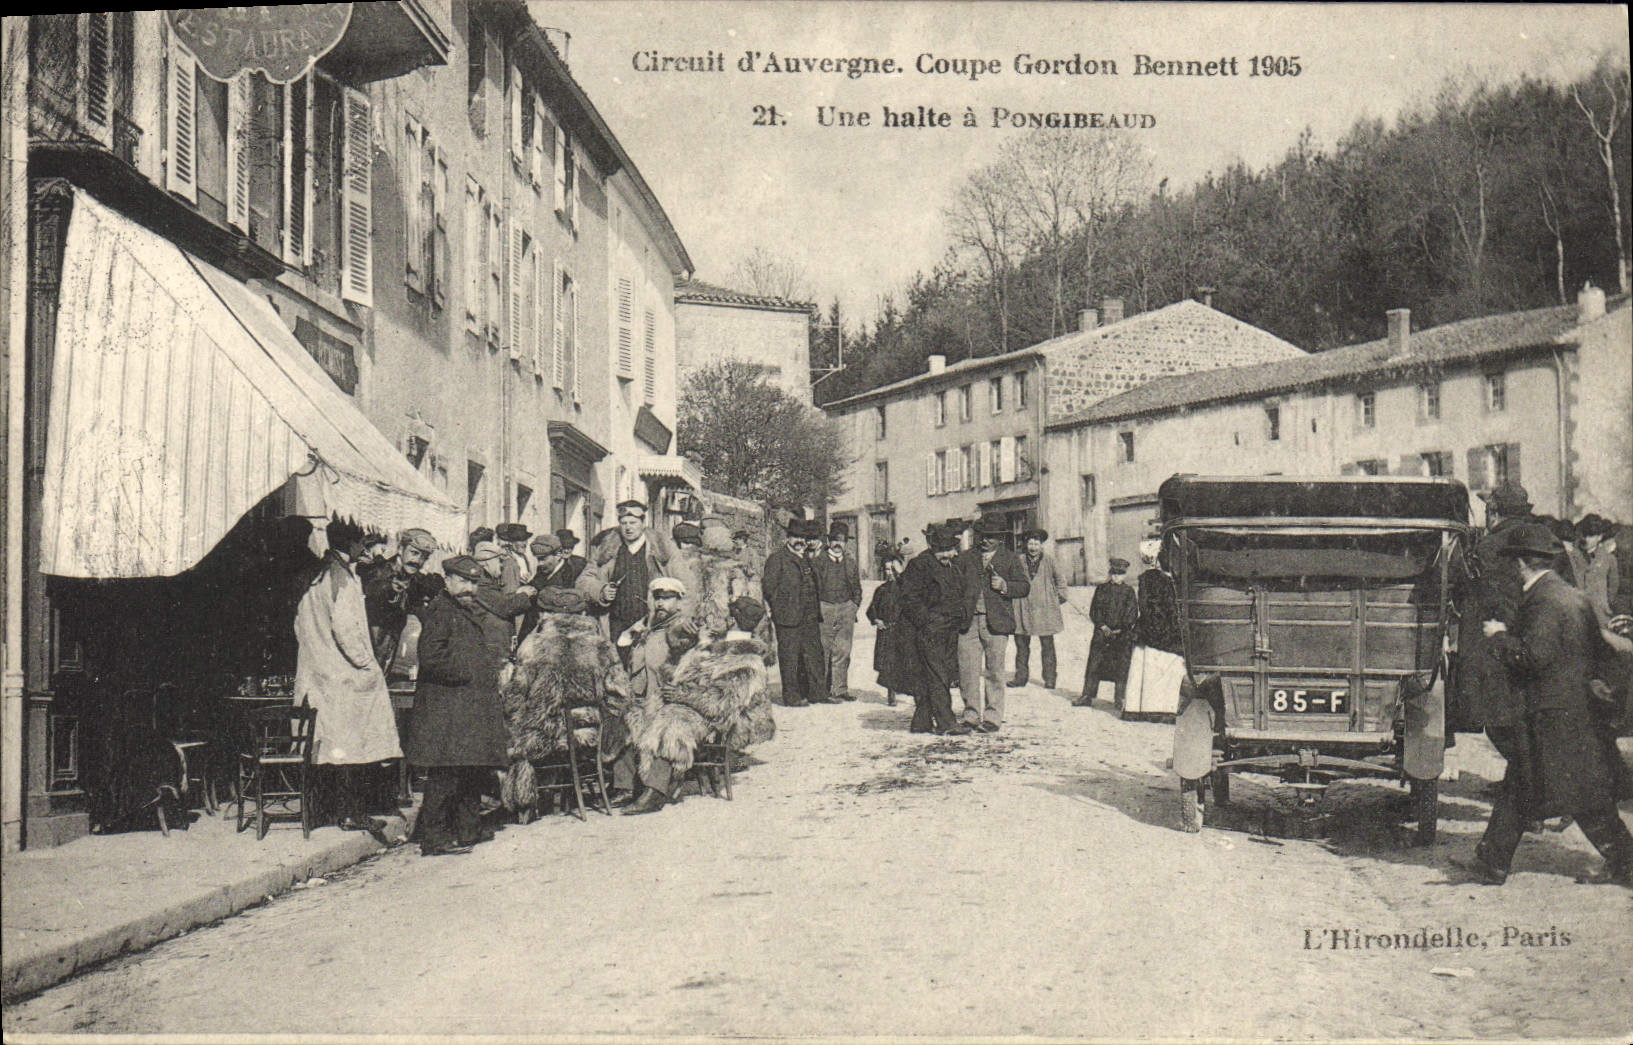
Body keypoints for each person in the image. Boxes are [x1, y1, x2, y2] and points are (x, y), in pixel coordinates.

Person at [1450, 524, 1633, 887]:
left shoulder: (1545, 601)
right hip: (1572, 712)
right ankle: (1492, 862)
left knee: (1579, 796)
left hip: (1551, 716)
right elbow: (1597, 653)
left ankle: (1626, 861)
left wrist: (1499, 636)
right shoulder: (1570, 595)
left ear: (1521, 563)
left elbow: (1534, 657)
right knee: (1527, 786)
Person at [294, 518, 404, 833]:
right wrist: (367, 665)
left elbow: (299, 625)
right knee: (352, 747)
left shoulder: (316, 575)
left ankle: (326, 810)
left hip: (318, 672)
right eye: (362, 543)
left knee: (326, 747)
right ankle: (350, 812)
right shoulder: (341, 579)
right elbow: (346, 630)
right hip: (341, 676)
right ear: (354, 545)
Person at [406, 555, 512, 856]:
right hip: (448, 708)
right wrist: (467, 672)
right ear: (448, 580)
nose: (469, 588)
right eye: (463, 581)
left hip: (465, 708)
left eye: (474, 583)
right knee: (445, 775)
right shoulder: (440, 611)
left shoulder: (460, 609)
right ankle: (434, 837)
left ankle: (468, 831)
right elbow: (431, 657)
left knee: (471, 771)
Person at [611, 577, 701, 814]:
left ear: (679, 602)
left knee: (668, 733)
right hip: (644, 695)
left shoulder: (682, 625)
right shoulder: (646, 627)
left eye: (668, 598)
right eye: (657, 598)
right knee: (625, 721)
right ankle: (625, 787)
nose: (661, 603)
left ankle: (655, 791)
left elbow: (687, 648)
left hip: (672, 700)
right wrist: (631, 633)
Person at [1452, 481, 1533, 739]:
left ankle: (1522, 776)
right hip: (1539, 640)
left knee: (1500, 724)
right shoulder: (1546, 540)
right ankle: (1520, 775)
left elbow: (1471, 598)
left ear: (1494, 510)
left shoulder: (1487, 548)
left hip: (1497, 645)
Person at [953, 516, 1030, 732]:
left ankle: (993, 717)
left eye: (991, 537)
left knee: (995, 671)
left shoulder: (1011, 559)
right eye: (982, 536)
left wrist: (1006, 586)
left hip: (996, 624)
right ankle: (970, 715)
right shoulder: (966, 558)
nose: (985, 541)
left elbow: (1024, 587)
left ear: (1000, 539)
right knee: (967, 671)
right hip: (968, 623)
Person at [898, 524, 972, 735]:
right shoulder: (919, 565)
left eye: (953, 549)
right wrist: (927, 621)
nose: (952, 553)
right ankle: (946, 722)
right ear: (935, 547)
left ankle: (921, 722)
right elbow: (908, 597)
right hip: (931, 629)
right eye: (947, 550)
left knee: (939, 673)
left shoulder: (951, 566)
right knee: (938, 674)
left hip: (949, 628)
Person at [578, 500, 672, 648]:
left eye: (633, 523)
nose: (628, 528)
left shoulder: (661, 548)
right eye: (624, 523)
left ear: (643, 522)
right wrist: (601, 590)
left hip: (651, 624)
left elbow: (685, 585)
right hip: (615, 625)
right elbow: (583, 580)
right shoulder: (607, 550)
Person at [762, 518, 828, 706]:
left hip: (810, 616)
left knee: (813, 654)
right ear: (788, 537)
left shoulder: (807, 559)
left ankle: (817, 694)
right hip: (788, 617)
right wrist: (781, 608)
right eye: (795, 537)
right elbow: (769, 588)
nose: (800, 541)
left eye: (803, 537)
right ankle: (791, 696)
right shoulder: (777, 559)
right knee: (790, 657)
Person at [360, 528, 444, 673]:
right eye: (414, 553)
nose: (417, 561)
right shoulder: (378, 571)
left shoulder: (416, 580)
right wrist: (390, 588)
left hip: (391, 650)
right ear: (400, 549)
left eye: (423, 557)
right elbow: (373, 588)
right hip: (367, 649)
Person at [1077, 557, 1138, 709]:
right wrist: (1102, 626)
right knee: (1094, 664)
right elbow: (1094, 610)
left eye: (1120, 574)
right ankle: (1087, 695)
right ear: (1110, 573)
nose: (1116, 576)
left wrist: (1121, 629)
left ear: (1124, 575)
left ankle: (1120, 698)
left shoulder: (1129, 592)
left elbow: (1132, 614)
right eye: (1114, 573)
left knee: (1121, 667)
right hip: (1102, 634)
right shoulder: (1102, 589)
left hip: (1121, 635)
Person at [1011, 528, 1067, 690]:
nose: (1033, 547)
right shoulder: (1019, 560)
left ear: (1041, 545)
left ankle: (1050, 678)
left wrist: (1057, 599)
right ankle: (1020, 677)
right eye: (1030, 543)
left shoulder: (1050, 560)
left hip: (1044, 609)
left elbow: (1061, 582)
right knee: (1021, 645)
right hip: (1023, 607)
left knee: (1047, 645)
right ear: (1026, 545)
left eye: (1036, 544)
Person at [815, 521, 864, 702]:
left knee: (843, 650)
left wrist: (853, 606)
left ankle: (840, 689)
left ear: (846, 543)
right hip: (824, 607)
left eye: (842, 540)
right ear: (829, 540)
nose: (838, 544)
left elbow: (857, 587)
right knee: (823, 650)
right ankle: (822, 691)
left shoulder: (850, 563)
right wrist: (818, 607)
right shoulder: (819, 561)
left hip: (846, 608)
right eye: (835, 540)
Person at [866, 549, 912, 706]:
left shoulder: (906, 588)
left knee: (905, 662)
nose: (890, 573)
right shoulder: (881, 590)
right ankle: (891, 694)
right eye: (887, 569)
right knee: (889, 665)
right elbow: (871, 609)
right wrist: (876, 620)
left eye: (893, 569)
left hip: (903, 632)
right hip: (887, 632)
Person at [1134, 538, 1183, 655]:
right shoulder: (1158, 579)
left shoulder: (1148, 578)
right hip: (1158, 624)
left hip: (1159, 622)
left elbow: (1143, 604)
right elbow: (1145, 605)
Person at [494, 523, 535, 593]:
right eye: (520, 540)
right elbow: (508, 589)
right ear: (511, 542)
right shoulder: (507, 559)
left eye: (525, 540)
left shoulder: (524, 557)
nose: (524, 543)